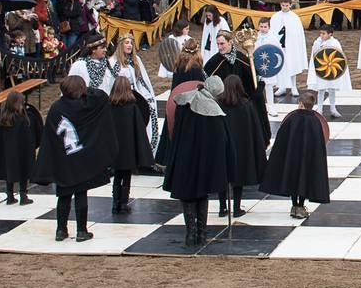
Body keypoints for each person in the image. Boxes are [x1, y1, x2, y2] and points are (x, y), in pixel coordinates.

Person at [34, 75, 117, 242]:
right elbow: (101, 95)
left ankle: (60, 230)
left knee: (63, 195)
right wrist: (86, 90)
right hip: (82, 159)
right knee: (81, 194)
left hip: (64, 158)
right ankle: (81, 231)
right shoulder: (87, 106)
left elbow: (50, 136)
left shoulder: (56, 108)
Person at [165, 75, 236, 247]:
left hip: (185, 156)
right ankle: (201, 234)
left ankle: (191, 234)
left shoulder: (184, 103)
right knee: (201, 194)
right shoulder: (214, 112)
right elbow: (223, 140)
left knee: (188, 194)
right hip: (205, 160)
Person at [261, 90, 330, 219]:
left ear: (300, 104)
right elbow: (318, 142)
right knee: (304, 179)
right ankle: (301, 206)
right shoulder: (315, 121)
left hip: (291, 158)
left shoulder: (292, 119)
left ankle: (294, 206)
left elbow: (282, 139)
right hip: (308, 158)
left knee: (293, 179)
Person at [215, 74, 270, 218]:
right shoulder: (246, 105)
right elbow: (254, 128)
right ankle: (236, 208)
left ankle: (222, 208)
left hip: (222, 146)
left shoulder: (218, 104)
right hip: (240, 148)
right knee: (238, 178)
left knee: (223, 176)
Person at [106, 76, 155, 215]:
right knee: (126, 176)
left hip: (115, 149)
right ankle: (124, 203)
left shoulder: (109, 107)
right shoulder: (132, 108)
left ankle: (115, 203)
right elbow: (139, 129)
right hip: (128, 149)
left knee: (117, 176)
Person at [0, 90, 41, 206]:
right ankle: (23, 195)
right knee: (24, 171)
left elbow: (1, 141)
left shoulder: (4, 119)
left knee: (10, 171)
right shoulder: (25, 119)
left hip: (9, 152)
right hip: (23, 152)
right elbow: (33, 134)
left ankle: (10, 196)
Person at [306, 24, 351, 119]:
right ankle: (320, 109)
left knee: (332, 89)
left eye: (324, 33)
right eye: (320, 33)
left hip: (332, 69)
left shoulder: (335, 43)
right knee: (321, 89)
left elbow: (339, 56)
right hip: (321, 69)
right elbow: (315, 55)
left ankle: (333, 108)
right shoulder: (317, 42)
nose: (321, 35)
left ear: (330, 34)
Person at [269, 0, 308, 98]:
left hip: (291, 47)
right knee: (280, 65)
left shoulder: (294, 18)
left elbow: (297, 34)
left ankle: (293, 86)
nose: (285, 7)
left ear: (290, 5)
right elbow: (272, 32)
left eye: (286, 5)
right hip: (280, 46)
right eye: (283, 5)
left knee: (292, 65)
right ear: (280, 5)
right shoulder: (275, 17)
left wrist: (294, 43)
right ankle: (281, 86)